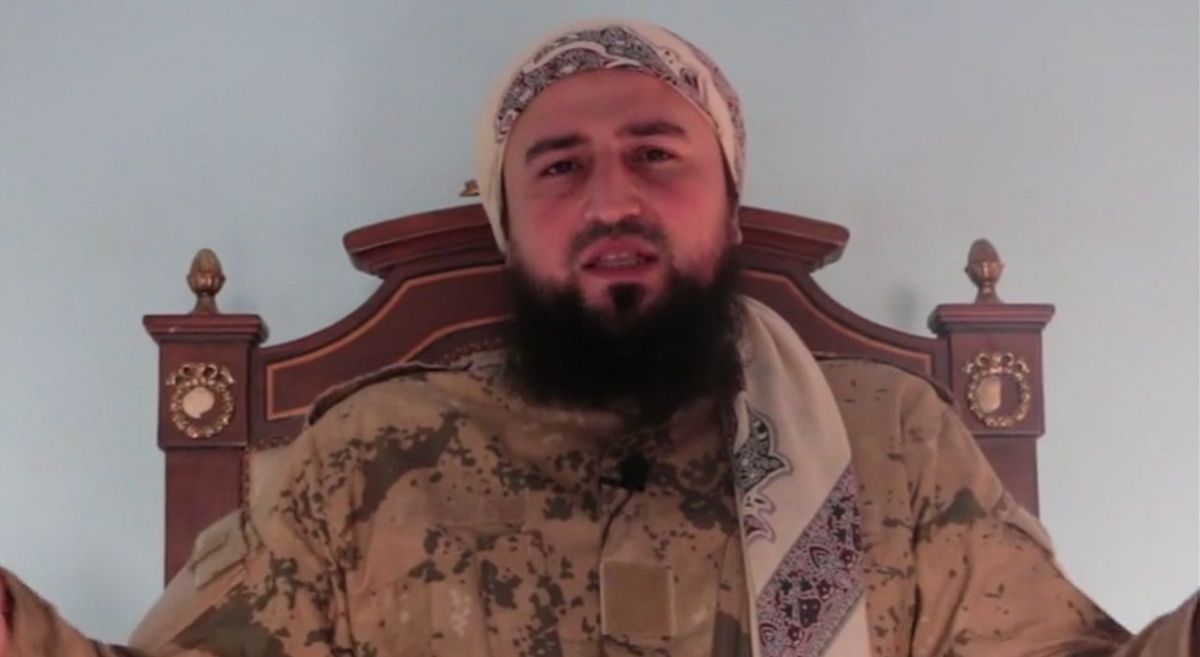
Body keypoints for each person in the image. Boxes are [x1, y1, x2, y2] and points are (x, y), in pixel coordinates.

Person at [0, 19, 1195, 657]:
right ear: (508, 225)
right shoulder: (363, 461)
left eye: (656, 155)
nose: (612, 199)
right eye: (560, 167)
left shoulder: (890, 443)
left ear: (729, 210)